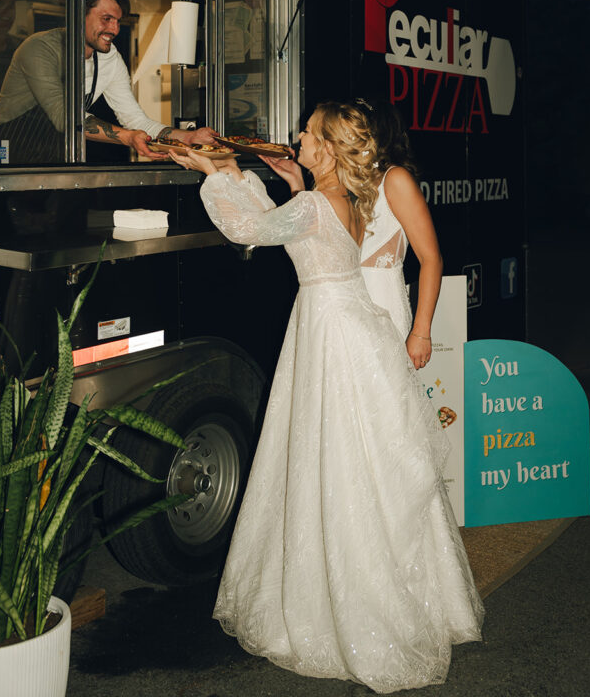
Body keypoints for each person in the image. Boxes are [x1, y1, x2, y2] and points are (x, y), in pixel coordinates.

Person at [169, 102, 483, 693]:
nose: (296, 139)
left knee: (339, 460)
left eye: (307, 134)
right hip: (343, 325)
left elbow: (252, 229)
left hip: (335, 332)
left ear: (331, 147)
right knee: (349, 462)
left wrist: (219, 173)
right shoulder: (339, 200)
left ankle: (350, 598)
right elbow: (288, 220)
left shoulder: (331, 201)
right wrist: (233, 170)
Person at [0, 0, 215, 163]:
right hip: (8, 153)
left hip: (56, 157)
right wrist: (127, 137)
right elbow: (65, 118)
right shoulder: (40, 49)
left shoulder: (110, 58)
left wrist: (187, 138)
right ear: (79, 14)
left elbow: (135, 120)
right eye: (106, 19)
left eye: (118, 21)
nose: (115, 29)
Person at [353, 97, 443, 372]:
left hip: (383, 302)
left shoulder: (395, 179)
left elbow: (431, 259)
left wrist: (421, 331)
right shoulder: (350, 179)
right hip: (348, 303)